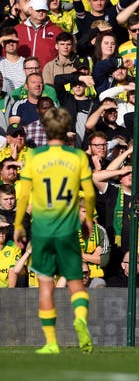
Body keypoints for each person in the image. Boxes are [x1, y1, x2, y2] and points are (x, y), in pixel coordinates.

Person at [14, 107, 95, 354]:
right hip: (68, 228)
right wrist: (88, 219)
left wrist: (18, 224)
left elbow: (24, 194)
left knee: (46, 284)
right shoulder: (78, 157)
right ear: (66, 128)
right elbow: (90, 193)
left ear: (45, 130)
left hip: (42, 229)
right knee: (75, 283)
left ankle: (51, 343)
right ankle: (80, 319)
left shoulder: (35, 158)